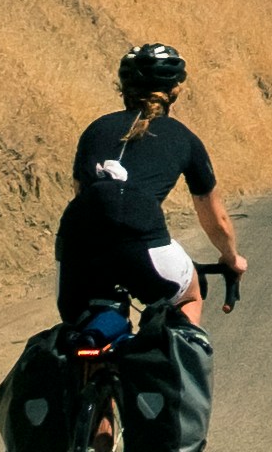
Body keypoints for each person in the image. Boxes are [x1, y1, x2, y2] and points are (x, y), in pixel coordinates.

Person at [57, 40, 244, 338]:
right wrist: (231, 258)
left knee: (80, 328)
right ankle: (179, 376)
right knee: (189, 295)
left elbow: (83, 194)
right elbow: (216, 219)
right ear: (174, 91)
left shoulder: (94, 130)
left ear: (124, 87)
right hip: (142, 236)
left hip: (78, 240)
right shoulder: (183, 138)